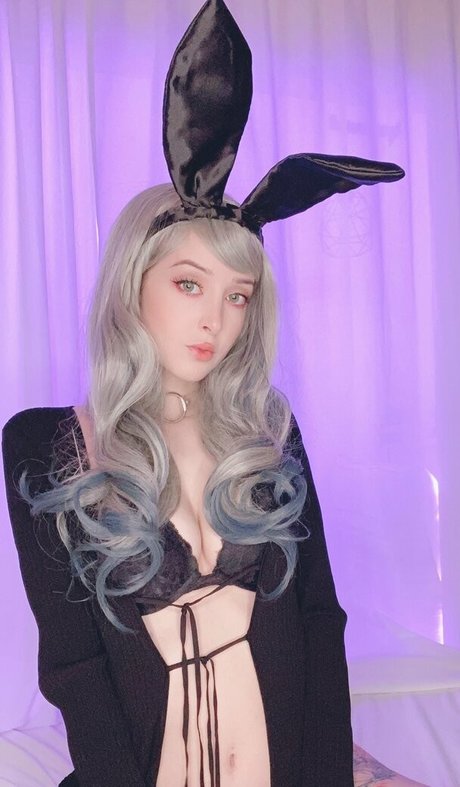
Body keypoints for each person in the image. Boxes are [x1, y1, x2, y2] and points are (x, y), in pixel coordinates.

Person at [3, 1, 426, 785]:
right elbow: (74, 668)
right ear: (134, 282)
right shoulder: (45, 445)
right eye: (189, 283)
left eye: (238, 296)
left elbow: (318, 620)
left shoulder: (268, 432)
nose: (216, 320)